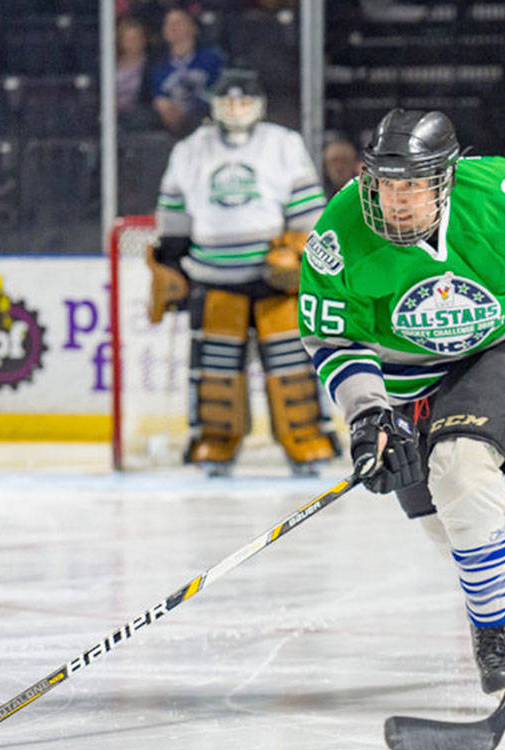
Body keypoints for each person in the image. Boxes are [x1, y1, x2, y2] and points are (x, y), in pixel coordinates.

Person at [296, 109, 505, 695]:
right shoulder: (338, 233)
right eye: (383, 184)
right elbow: (331, 337)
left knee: (460, 475)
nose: (394, 202)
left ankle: (494, 631)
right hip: (399, 382)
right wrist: (369, 413)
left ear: (446, 178)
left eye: (411, 186)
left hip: (491, 355)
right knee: (453, 524)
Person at [147, 69, 339, 476]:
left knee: (293, 369)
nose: (236, 110)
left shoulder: (283, 144)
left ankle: (306, 441)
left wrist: (300, 252)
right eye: (228, 102)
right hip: (213, 278)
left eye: (244, 102)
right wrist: (169, 263)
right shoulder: (189, 150)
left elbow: (309, 212)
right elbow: (173, 215)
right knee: (215, 372)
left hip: (275, 279)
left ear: (259, 106)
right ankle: (214, 446)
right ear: (214, 105)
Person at [150, 7, 224, 137]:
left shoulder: (212, 58)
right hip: (172, 123)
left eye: (178, 23)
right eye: (168, 23)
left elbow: (221, 90)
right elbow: (160, 98)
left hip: (205, 119)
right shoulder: (159, 67)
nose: (172, 27)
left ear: (193, 28)